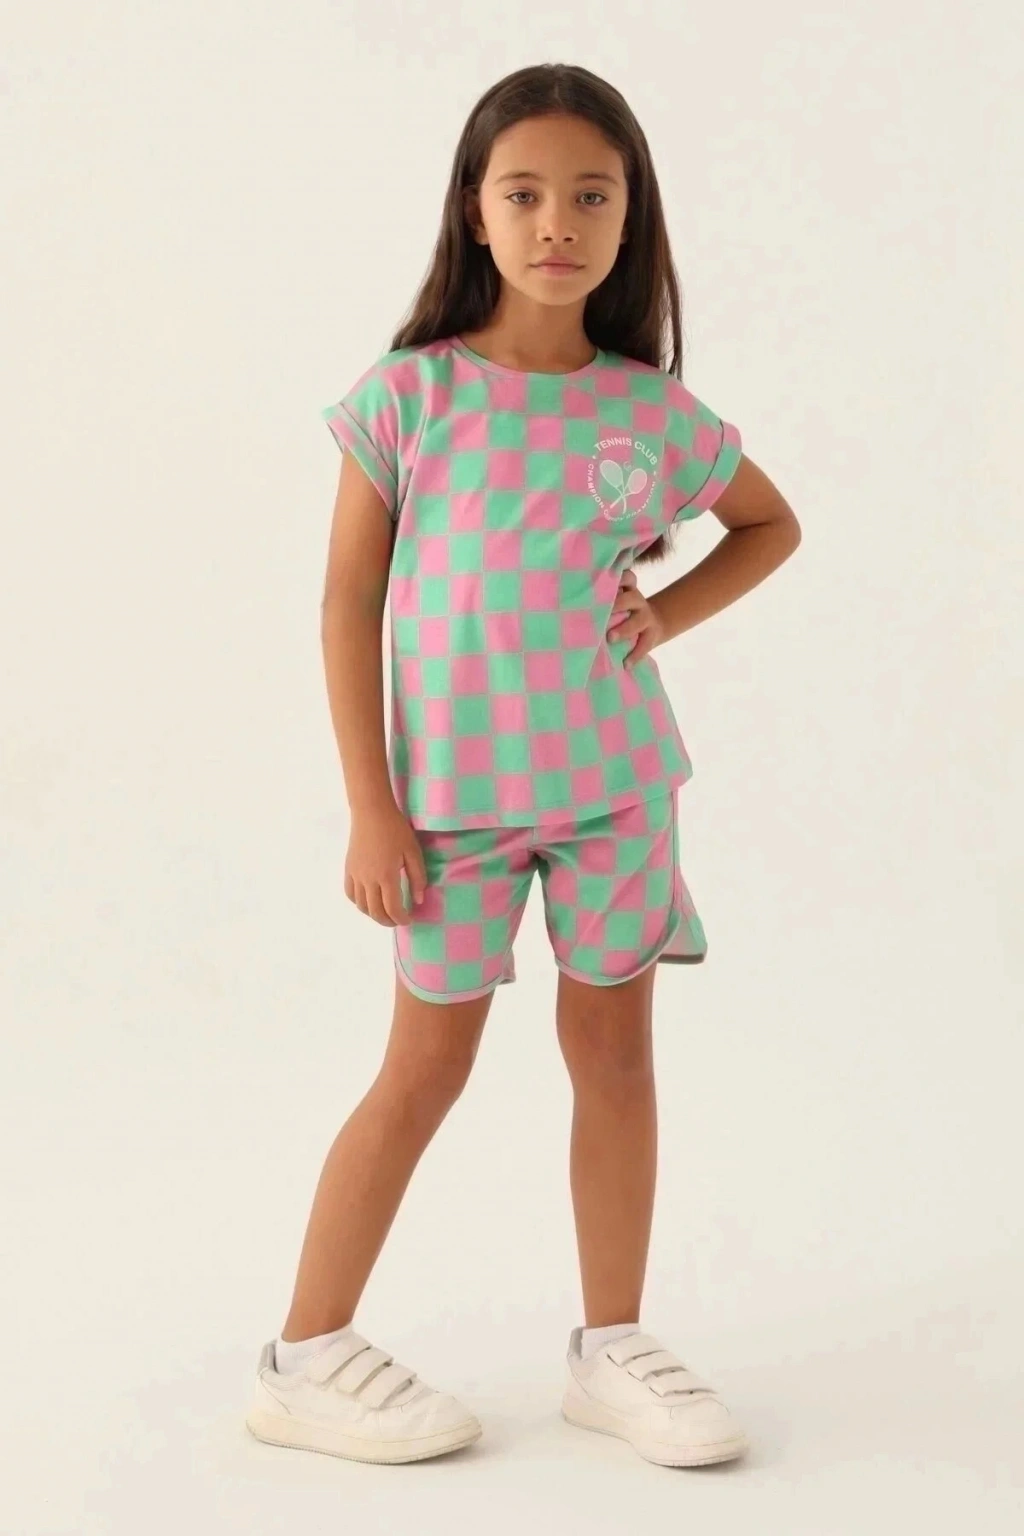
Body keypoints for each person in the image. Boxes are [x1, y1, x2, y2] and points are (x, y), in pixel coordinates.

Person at [246, 61, 801, 1469]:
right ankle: (304, 1354)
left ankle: (611, 1346)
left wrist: (663, 615)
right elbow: (346, 605)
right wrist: (371, 805)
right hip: (448, 813)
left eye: (592, 197)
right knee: (423, 1070)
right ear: (476, 211)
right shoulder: (409, 397)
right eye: (528, 192)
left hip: (618, 791)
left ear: (631, 219)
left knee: (615, 1058)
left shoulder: (650, 411)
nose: (559, 221)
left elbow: (769, 523)